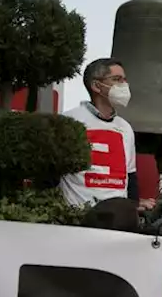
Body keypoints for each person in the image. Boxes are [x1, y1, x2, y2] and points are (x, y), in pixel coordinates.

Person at [60, 58, 152, 212]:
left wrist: (133, 208)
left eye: (124, 80)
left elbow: (131, 177)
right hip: (80, 218)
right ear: (96, 86)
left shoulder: (125, 128)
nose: (124, 85)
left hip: (117, 219)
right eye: (117, 79)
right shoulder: (69, 121)